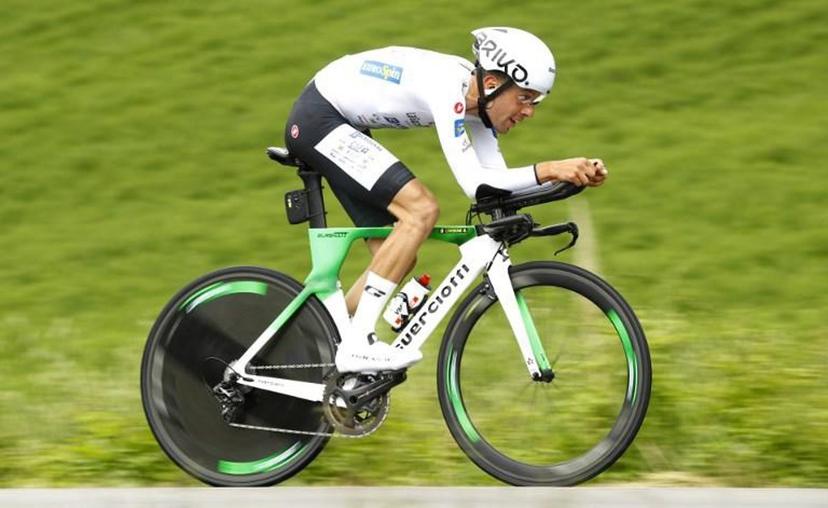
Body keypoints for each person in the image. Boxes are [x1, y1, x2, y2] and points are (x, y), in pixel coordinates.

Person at [284, 27, 608, 373]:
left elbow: (497, 187)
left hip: (345, 125)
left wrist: (570, 181)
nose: (529, 111)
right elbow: (475, 184)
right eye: (525, 98)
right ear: (493, 84)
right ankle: (358, 344)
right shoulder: (447, 88)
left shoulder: (481, 111)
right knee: (420, 211)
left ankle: (326, 338)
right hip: (319, 118)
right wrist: (551, 169)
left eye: (536, 101)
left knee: (397, 256)